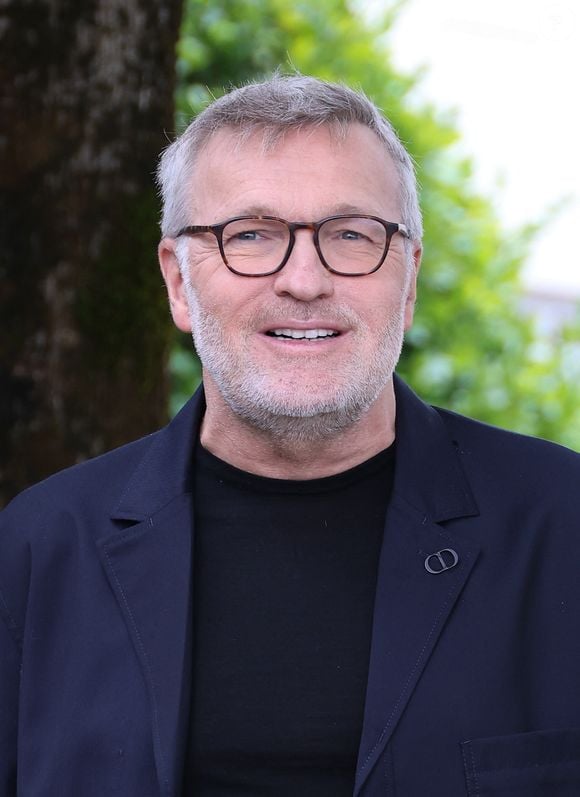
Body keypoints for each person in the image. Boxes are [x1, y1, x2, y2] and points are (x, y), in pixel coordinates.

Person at [1, 75, 579, 797]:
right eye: (250, 234)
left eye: (350, 234)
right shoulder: (35, 550)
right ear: (179, 282)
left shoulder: (566, 525)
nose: (304, 279)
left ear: (408, 282)